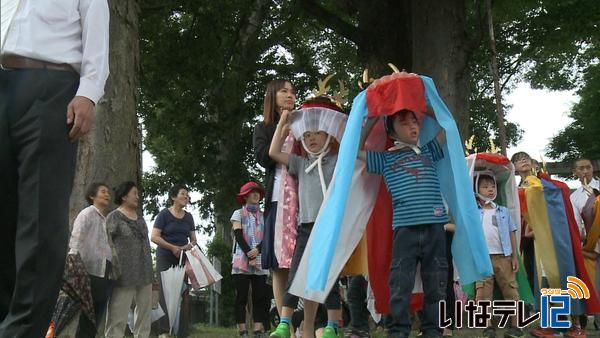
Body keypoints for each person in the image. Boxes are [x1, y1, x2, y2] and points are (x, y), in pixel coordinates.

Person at [0, 1, 109, 336]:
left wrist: (88, 94)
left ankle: (23, 330)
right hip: (3, 82)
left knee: (40, 218)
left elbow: (97, 40)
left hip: (52, 87)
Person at [358, 108, 448, 338]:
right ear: (392, 131)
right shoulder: (386, 158)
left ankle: (432, 330)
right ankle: (398, 330)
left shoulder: (428, 151)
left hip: (435, 227)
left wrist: (428, 108)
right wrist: (374, 118)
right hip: (405, 229)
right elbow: (355, 151)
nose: (412, 126)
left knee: (436, 282)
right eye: (403, 122)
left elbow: (447, 126)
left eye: (414, 121)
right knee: (400, 283)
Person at [269, 96, 347, 338]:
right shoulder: (301, 163)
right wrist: (283, 122)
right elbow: (273, 152)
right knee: (296, 275)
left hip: (329, 228)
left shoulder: (336, 161)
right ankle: (284, 323)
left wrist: (339, 122)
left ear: (329, 136)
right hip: (306, 228)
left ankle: (333, 326)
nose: (312, 138)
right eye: (307, 134)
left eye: (318, 133)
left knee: (329, 277)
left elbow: (350, 145)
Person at [253, 79, 296, 316]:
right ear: (272, 96)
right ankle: (285, 324)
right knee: (280, 265)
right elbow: (264, 158)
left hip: (305, 199)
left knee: (304, 260)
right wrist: (282, 125)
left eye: (292, 91)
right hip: (278, 199)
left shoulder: (303, 124)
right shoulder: (264, 128)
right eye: (284, 91)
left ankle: (311, 323)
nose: (290, 95)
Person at [472, 173, 524, 338]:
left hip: (503, 257)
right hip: (482, 259)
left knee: (511, 290)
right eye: (485, 187)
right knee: (482, 294)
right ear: (476, 190)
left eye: (492, 186)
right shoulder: (473, 212)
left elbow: (511, 233)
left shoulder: (503, 211)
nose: (490, 189)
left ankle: (516, 326)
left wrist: (515, 257)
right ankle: (487, 327)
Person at [105, 181, 153, 338]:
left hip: (145, 271)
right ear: (124, 196)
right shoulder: (114, 217)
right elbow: (106, 242)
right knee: (118, 312)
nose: (137, 197)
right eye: (135, 194)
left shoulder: (140, 218)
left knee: (144, 314)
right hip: (123, 272)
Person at [68, 182, 114, 337]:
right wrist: (74, 262)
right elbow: (77, 237)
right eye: (103, 191)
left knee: (98, 311)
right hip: (87, 269)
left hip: (104, 269)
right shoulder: (87, 213)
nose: (107, 194)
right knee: (88, 312)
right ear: (92, 196)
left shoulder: (105, 219)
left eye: (108, 192)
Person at [151, 184, 197, 337]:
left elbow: (194, 240)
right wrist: (172, 247)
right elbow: (154, 237)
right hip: (165, 256)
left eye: (187, 194)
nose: (186, 196)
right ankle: (163, 331)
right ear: (173, 197)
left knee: (183, 293)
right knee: (165, 293)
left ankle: (183, 332)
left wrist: (186, 247)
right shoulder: (164, 214)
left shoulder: (189, 217)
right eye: (183, 193)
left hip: (183, 257)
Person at [231, 182, 271, 338]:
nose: (256, 195)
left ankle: (257, 329)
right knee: (241, 296)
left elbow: (268, 235)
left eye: (258, 193)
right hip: (242, 259)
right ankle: (242, 330)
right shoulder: (238, 213)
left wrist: (258, 251)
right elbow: (238, 235)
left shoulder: (264, 215)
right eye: (252, 192)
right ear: (245, 196)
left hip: (261, 259)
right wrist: (249, 253)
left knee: (260, 297)